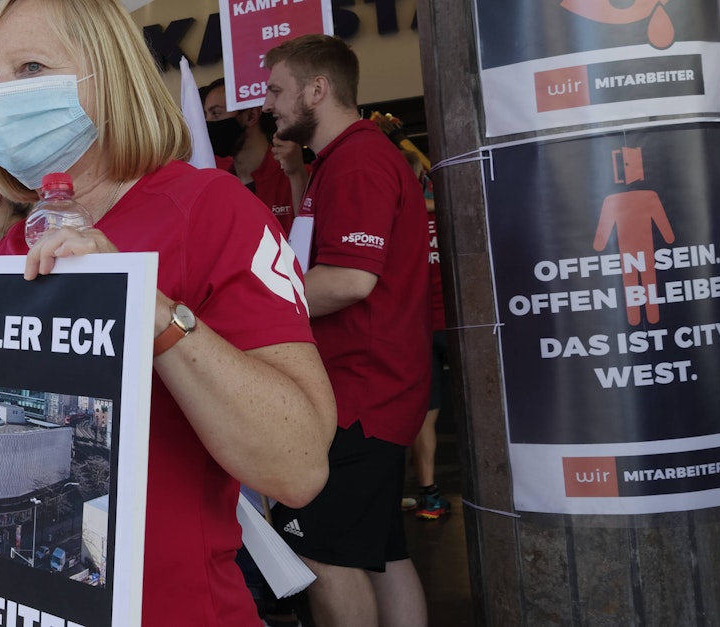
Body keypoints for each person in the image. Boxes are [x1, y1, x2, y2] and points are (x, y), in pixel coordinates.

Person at [0, 2, 335, 624]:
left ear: (108, 75)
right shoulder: (13, 246)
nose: (2, 97)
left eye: (31, 66)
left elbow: (298, 465)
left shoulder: (211, 210)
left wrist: (148, 307)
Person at [261, 34, 432, 627]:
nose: (269, 105)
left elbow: (352, 279)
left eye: (278, 89)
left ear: (318, 88)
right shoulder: (340, 160)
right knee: (382, 553)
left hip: (360, 392)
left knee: (320, 554)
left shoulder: (359, 158)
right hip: (370, 389)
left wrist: (258, 310)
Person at [201, 78, 296, 232]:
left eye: (216, 114)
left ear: (251, 116)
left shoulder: (295, 177)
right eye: (206, 116)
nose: (208, 124)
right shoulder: (218, 186)